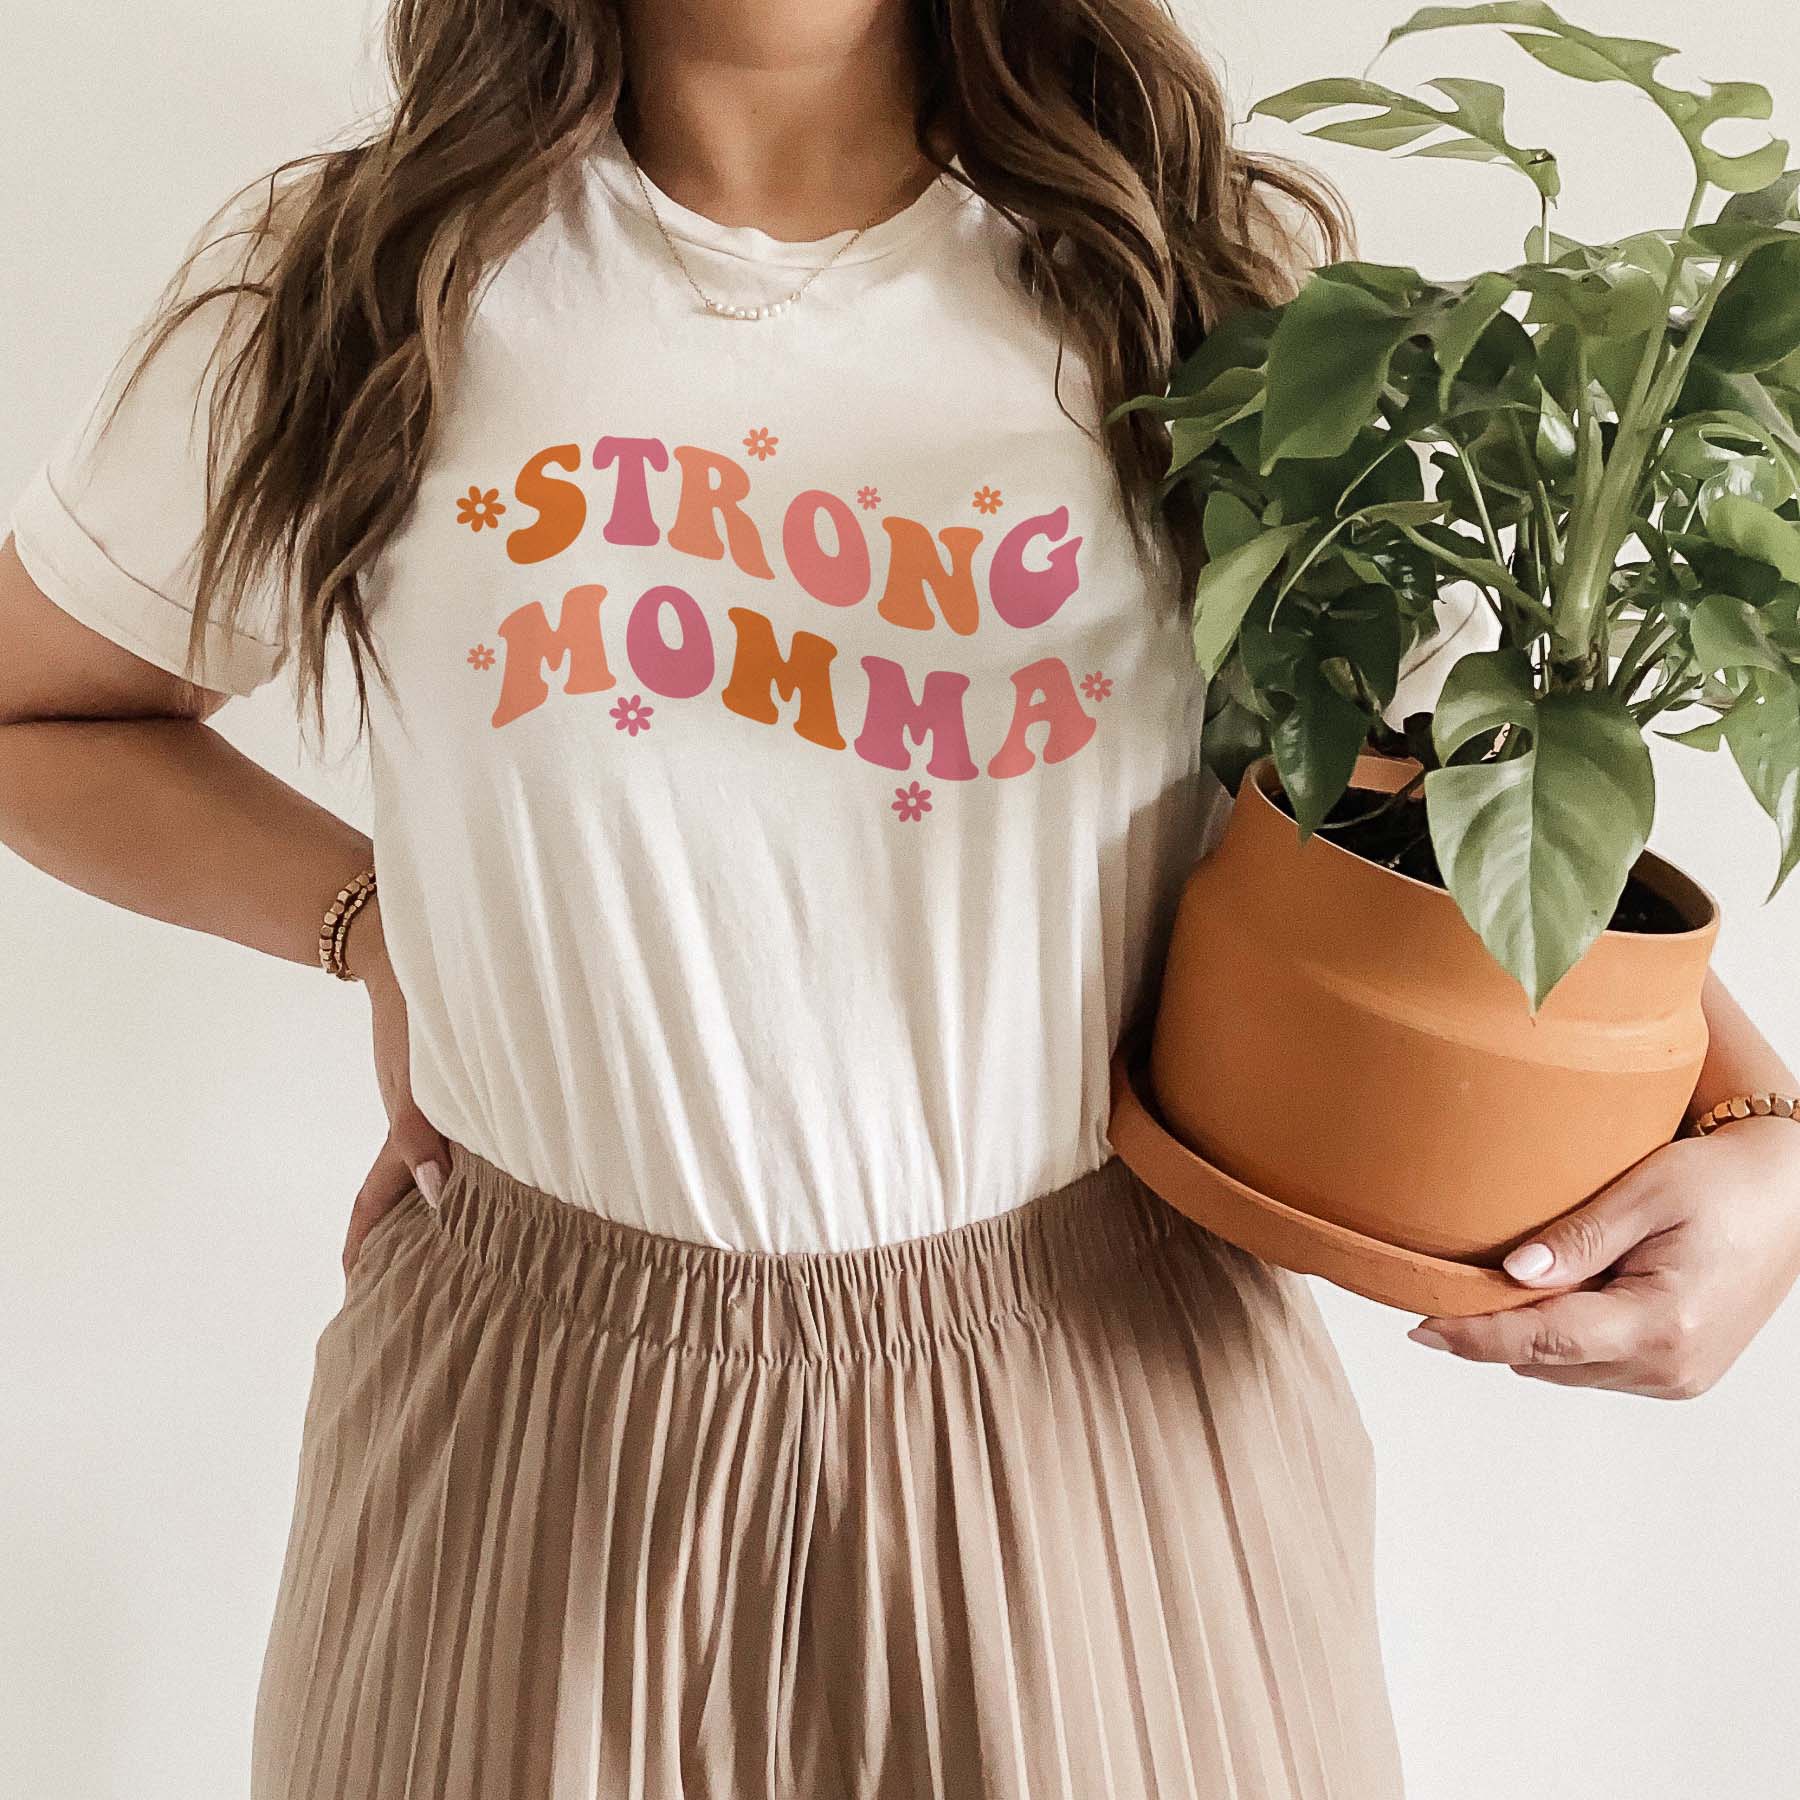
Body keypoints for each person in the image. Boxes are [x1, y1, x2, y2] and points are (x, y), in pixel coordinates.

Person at [4, 3, 1798, 1796]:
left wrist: (1761, 1124)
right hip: (530, 1426)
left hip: (1100, 1404)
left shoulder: (1203, 279)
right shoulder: (353, 280)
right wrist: (372, 921)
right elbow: (37, 707)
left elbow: (1456, 805)